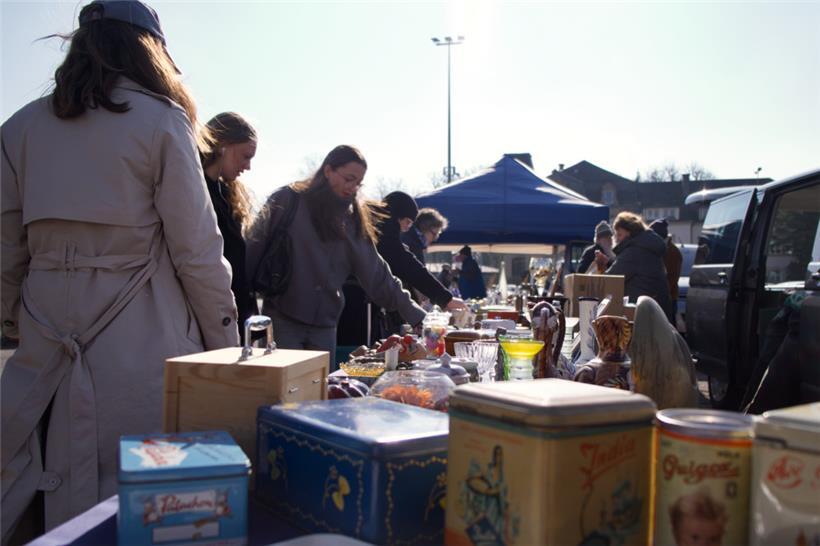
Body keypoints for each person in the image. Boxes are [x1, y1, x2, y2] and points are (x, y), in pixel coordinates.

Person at [0, 1, 238, 540]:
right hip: (140, 347)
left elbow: (5, 252)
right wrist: (222, 343)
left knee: (39, 498)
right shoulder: (161, 121)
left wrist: (21, 324)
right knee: (131, 509)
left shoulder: (19, 128)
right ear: (150, 51)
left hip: (42, 351)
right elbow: (197, 250)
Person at [246, 145, 426, 363]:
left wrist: (417, 317)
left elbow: (377, 274)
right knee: (286, 392)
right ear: (328, 170)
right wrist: (242, 312)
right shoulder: (287, 200)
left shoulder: (353, 219)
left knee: (321, 392)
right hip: (283, 321)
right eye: (349, 178)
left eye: (358, 183)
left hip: (325, 328)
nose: (352, 188)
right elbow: (252, 251)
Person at [368, 192, 465, 336]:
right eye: (407, 222)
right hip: (365, 307)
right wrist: (445, 298)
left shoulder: (380, 234)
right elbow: (408, 266)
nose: (407, 228)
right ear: (396, 217)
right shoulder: (387, 238)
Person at [201, 112, 259, 340]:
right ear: (223, 145)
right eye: (246, 156)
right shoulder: (194, 190)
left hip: (235, 316)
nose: (248, 166)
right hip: (208, 316)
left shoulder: (227, 196)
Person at [594, 212, 672, 319]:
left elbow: (610, 279)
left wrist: (601, 265)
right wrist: (608, 263)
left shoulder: (633, 252)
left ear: (629, 232)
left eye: (619, 234)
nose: (616, 239)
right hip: (657, 310)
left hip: (642, 314)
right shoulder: (647, 247)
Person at [650, 218, 683, 323]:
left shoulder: (673, 253)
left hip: (668, 299)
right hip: (657, 298)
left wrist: (658, 294)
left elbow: (672, 279)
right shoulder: (657, 249)